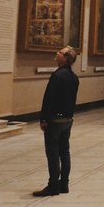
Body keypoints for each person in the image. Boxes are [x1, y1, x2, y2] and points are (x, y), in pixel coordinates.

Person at [34, 45, 80, 196]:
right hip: (67, 120)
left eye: (60, 52)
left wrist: (43, 118)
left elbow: (49, 98)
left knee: (53, 153)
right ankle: (64, 184)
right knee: (65, 152)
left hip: (55, 120)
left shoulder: (58, 75)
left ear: (65, 58)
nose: (57, 53)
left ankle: (53, 185)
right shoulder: (74, 77)